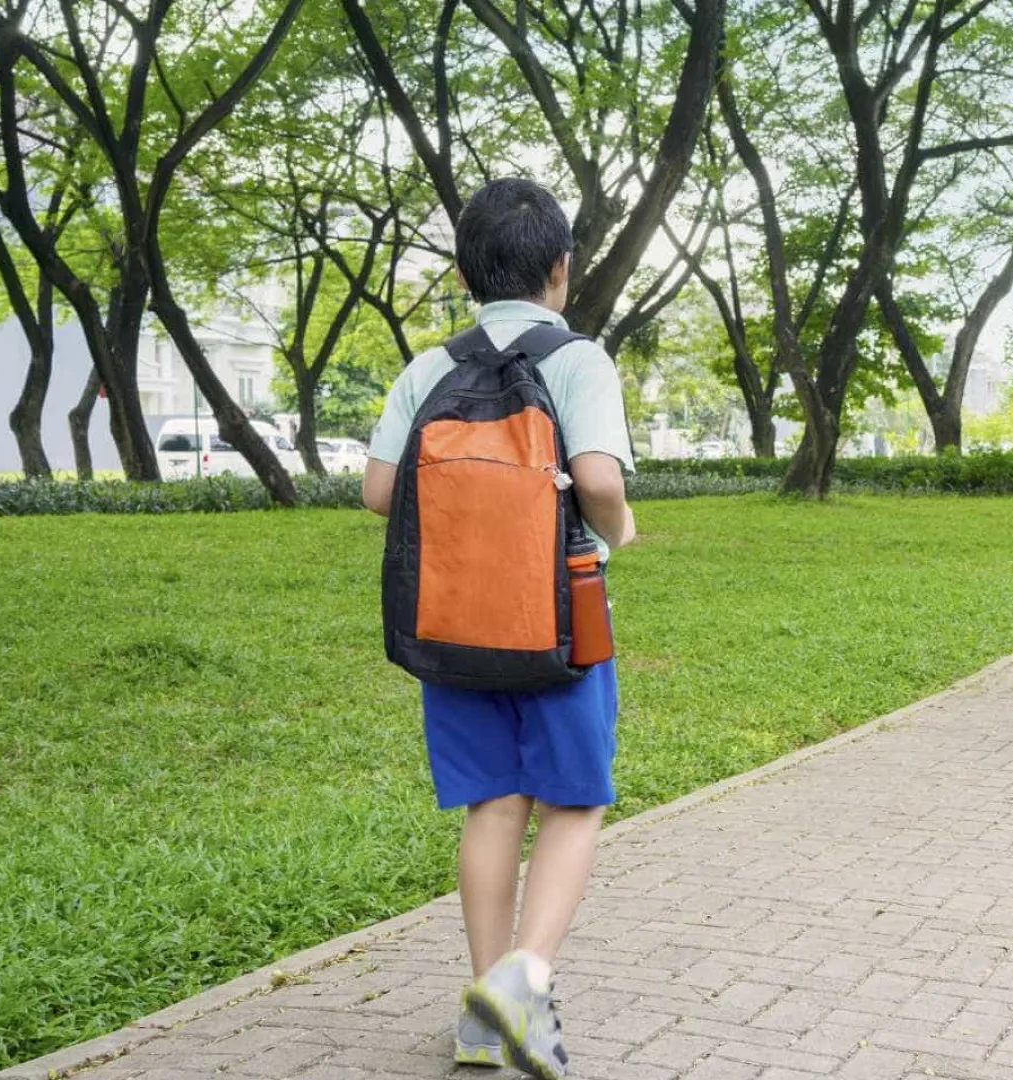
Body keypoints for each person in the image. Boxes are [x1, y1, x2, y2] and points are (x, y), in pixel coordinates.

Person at [361, 178, 635, 1078]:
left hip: (453, 622)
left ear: (469, 272)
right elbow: (596, 476)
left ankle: (485, 1011)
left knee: (493, 803)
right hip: (561, 619)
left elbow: (378, 493)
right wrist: (621, 528)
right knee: (575, 803)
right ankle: (524, 987)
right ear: (560, 268)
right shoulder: (580, 360)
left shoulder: (427, 367)